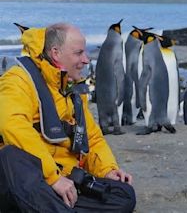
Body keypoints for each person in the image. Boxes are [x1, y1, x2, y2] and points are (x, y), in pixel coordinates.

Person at [0, 23, 136, 212]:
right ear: (56, 53)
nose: (86, 59)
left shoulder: (73, 89)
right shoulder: (19, 80)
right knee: (11, 156)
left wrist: (108, 170)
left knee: (123, 193)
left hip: (63, 179)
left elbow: (92, 137)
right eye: (78, 53)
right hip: (30, 181)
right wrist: (53, 177)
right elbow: (11, 125)